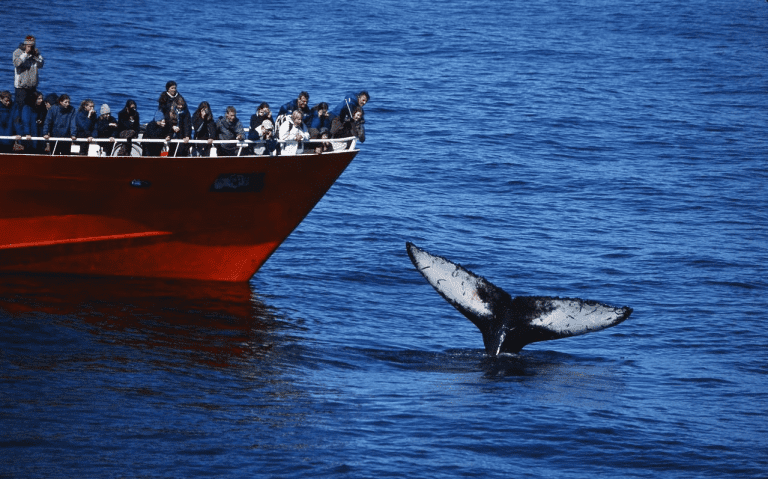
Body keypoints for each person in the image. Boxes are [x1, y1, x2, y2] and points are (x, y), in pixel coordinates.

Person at [12, 35, 44, 120]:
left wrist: (36, 56)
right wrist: (25, 53)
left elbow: (41, 65)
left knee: (31, 109)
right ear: (25, 44)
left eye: (32, 45)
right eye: (29, 45)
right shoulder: (18, 52)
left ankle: (30, 126)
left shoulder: (35, 54)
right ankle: (18, 125)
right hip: (21, 87)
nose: (30, 48)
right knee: (20, 109)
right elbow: (17, 63)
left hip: (32, 87)